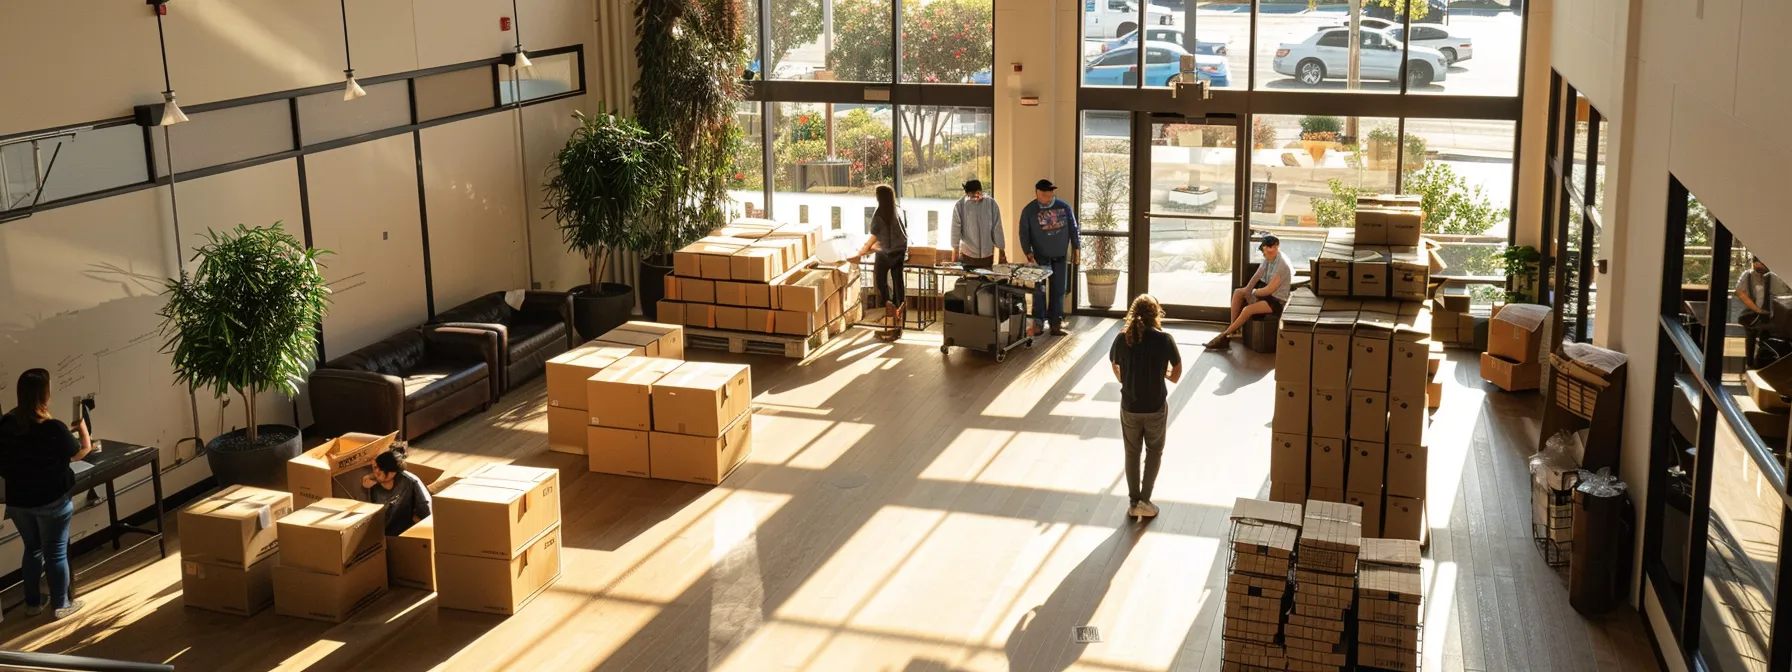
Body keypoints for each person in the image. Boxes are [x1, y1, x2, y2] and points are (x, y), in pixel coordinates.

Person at [0, 369, 91, 620]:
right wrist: (82, 427)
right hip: (52, 502)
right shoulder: (53, 428)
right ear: (44, 395)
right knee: (56, 552)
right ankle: (61, 605)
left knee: (32, 549)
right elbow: (80, 451)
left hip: (18, 503)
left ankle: (32, 603)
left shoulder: (6, 425)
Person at [1110, 295, 1182, 519]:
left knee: (1132, 453)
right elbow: (1176, 375)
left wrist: (1125, 380)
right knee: (1154, 451)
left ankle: (1133, 502)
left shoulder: (1122, 339)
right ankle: (1145, 500)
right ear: (1156, 314)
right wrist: (1163, 373)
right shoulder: (1165, 339)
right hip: (1155, 407)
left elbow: (1115, 365)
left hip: (1130, 406)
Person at [1019, 179, 1080, 337]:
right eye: (1043, 193)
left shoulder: (1064, 207)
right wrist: (1028, 252)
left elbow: (1074, 228)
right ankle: (1038, 323)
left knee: (1059, 290)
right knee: (1039, 291)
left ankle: (1056, 323)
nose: (1047, 195)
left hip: (1060, 255)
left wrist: (1076, 248)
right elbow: (1024, 233)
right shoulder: (1029, 210)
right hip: (1040, 258)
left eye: (1049, 192)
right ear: (1037, 192)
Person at [1207, 235, 1292, 350]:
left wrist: (1254, 293)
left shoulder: (1282, 265)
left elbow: (1270, 289)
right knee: (1238, 292)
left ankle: (1224, 336)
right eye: (1264, 249)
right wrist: (1247, 290)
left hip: (1276, 300)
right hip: (1266, 293)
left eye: (1267, 249)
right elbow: (1258, 275)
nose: (1264, 252)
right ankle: (1233, 330)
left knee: (1247, 310)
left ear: (1275, 248)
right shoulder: (1269, 259)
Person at [855, 184, 910, 341]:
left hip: (885, 254)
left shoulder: (879, 214)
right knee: (899, 283)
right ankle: (900, 320)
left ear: (879, 197)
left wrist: (862, 251)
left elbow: (874, 235)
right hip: (899, 251)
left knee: (880, 282)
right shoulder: (898, 209)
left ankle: (889, 311)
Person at [361, 450, 432, 536]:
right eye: (375, 468)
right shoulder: (373, 486)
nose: (376, 473)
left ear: (392, 473)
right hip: (381, 535)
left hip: (405, 533)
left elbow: (426, 511)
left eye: (381, 470)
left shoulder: (409, 482)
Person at [1735, 256, 1787, 367]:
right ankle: (1749, 363)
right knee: (1751, 337)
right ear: (1753, 263)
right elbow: (1740, 292)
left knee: (1766, 337)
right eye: (1758, 263)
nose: (1761, 266)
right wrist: (1757, 309)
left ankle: (1762, 363)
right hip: (1753, 313)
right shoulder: (1748, 275)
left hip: (1772, 314)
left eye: (1764, 263)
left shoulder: (1774, 276)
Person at [951, 179, 1004, 270]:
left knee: (986, 281)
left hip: (987, 256)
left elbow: (997, 229)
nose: (976, 196)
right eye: (973, 194)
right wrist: (955, 254)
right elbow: (955, 231)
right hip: (968, 256)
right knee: (969, 282)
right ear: (968, 194)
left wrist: (1002, 251)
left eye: (978, 193)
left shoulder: (991, 204)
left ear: (981, 191)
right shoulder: (960, 206)